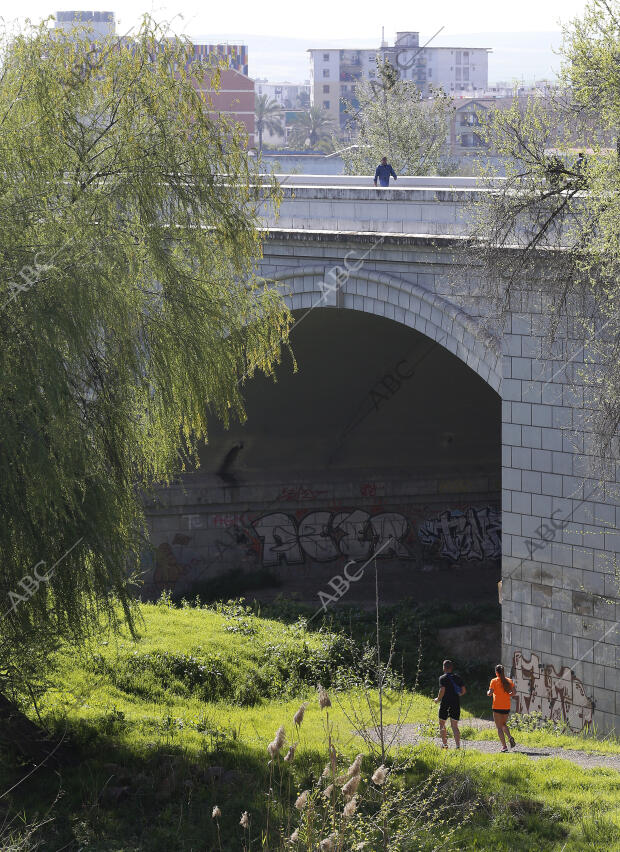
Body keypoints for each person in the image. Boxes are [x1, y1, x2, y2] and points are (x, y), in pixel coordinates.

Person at [434, 659, 466, 749]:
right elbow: (463, 690)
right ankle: (458, 746)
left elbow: (442, 690)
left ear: (444, 668)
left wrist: (438, 699)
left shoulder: (442, 678)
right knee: (454, 726)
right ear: (452, 668)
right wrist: (459, 694)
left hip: (445, 703)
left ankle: (445, 745)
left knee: (442, 724)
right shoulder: (458, 678)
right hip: (456, 703)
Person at [488, 664, 516, 752]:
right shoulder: (509, 681)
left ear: (496, 672)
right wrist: (507, 695)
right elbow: (514, 692)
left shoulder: (494, 681)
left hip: (497, 706)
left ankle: (504, 747)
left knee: (499, 727)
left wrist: (488, 692)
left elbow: (490, 693)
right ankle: (510, 737)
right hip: (506, 706)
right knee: (503, 724)